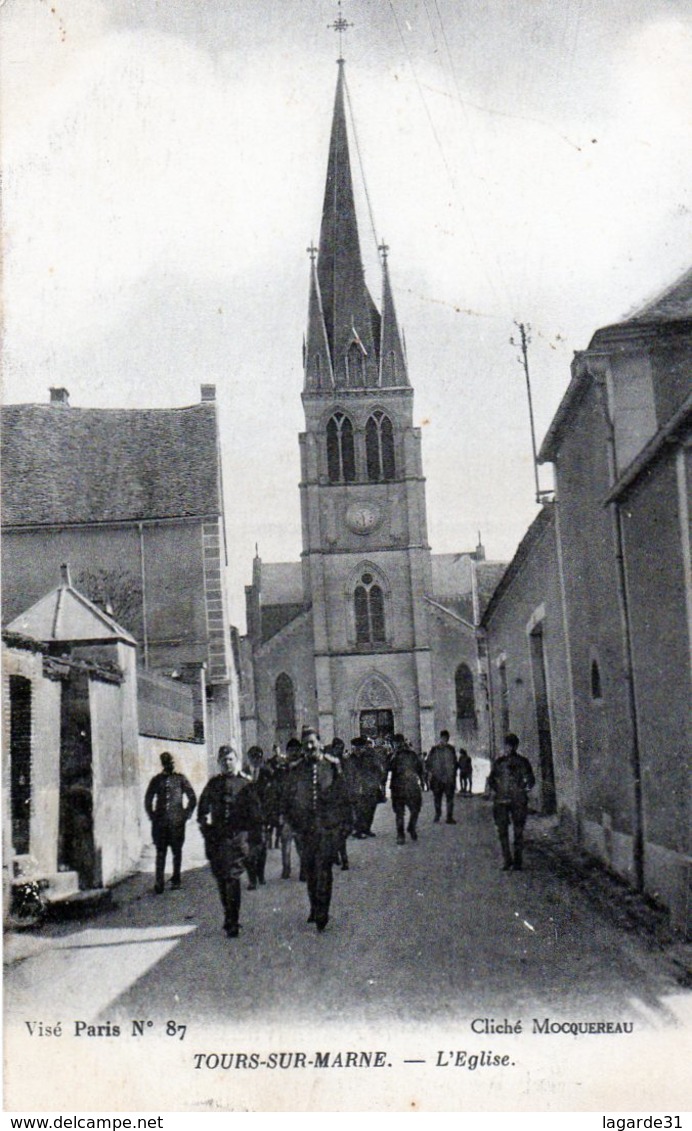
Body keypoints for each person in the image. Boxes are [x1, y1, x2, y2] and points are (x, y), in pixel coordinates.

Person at [283, 726, 351, 932]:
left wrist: (344, 825)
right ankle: (314, 906)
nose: (309, 747)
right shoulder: (296, 769)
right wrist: (290, 823)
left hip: (327, 828)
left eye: (313, 742)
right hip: (305, 829)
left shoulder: (332, 766)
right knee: (310, 870)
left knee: (324, 870)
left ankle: (323, 912)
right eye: (306, 744)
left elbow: (343, 797)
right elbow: (288, 798)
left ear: (320, 743)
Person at [197, 745, 263, 937]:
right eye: (223, 760)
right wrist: (206, 830)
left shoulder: (246, 784)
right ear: (219, 763)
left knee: (232, 878)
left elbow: (256, 814)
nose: (227, 763)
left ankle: (233, 921)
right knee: (221, 878)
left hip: (238, 838)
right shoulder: (213, 784)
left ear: (237, 761)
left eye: (230, 759)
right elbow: (203, 809)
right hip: (217, 839)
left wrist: (254, 840)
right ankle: (228, 914)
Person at [144, 752, 197, 894]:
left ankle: (176, 879)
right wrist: (152, 816)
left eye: (173, 763)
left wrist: (186, 814)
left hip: (177, 824)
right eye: (168, 763)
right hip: (160, 824)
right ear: (163, 764)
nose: (171, 765)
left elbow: (192, 798)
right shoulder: (157, 780)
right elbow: (148, 799)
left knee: (176, 851)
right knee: (160, 852)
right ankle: (159, 882)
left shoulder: (180, 779)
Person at [488, 733, 536, 871]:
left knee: (517, 832)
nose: (509, 748)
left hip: (515, 801)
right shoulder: (500, 762)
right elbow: (491, 780)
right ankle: (508, 860)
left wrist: (523, 791)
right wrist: (498, 790)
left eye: (511, 746)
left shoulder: (522, 762)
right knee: (503, 831)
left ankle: (517, 861)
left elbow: (530, 780)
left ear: (515, 746)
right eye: (507, 745)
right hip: (504, 801)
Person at [389, 734, 423, 844]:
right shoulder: (393, 756)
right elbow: (387, 768)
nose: (397, 745)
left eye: (398, 743)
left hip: (411, 786)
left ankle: (411, 827)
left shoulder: (411, 754)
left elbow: (419, 768)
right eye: (395, 743)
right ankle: (400, 834)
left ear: (403, 743)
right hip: (397, 787)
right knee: (399, 812)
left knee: (415, 809)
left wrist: (422, 780)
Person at [427, 729, 458, 824]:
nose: (445, 740)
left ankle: (445, 816)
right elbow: (429, 762)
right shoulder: (435, 749)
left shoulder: (449, 749)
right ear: (442, 738)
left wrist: (453, 774)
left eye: (446, 738)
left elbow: (455, 763)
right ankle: (440, 815)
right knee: (439, 798)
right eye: (444, 738)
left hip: (445, 778)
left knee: (446, 798)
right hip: (440, 778)